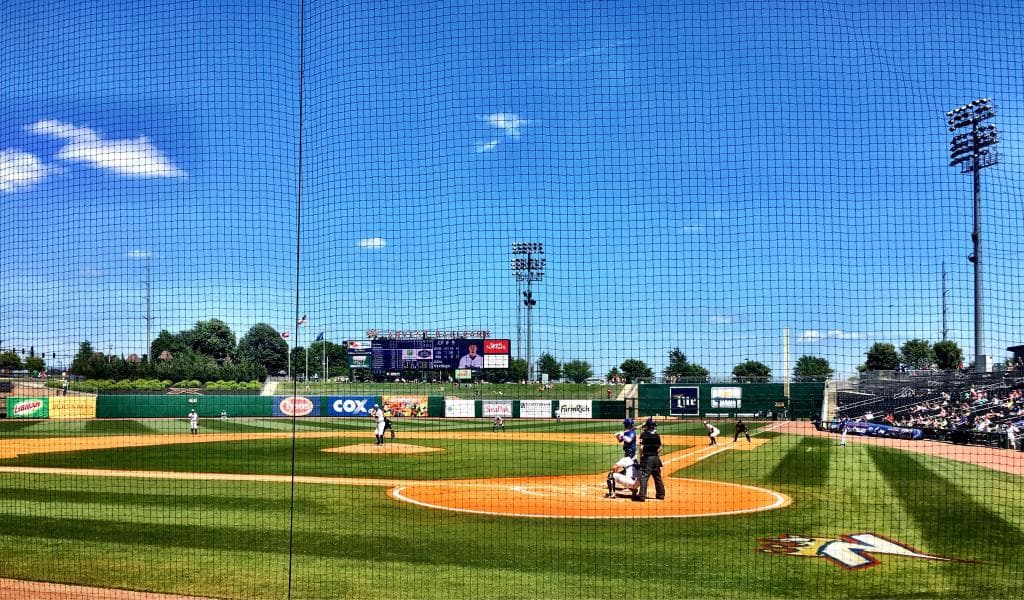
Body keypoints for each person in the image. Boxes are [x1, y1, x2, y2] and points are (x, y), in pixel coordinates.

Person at [636, 417, 665, 501]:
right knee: (657, 477)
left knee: (644, 477)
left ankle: (642, 496)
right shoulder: (657, 435)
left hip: (647, 458)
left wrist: (641, 457)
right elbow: (660, 448)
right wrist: (655, 454)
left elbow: (641, 448)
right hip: (656, 458)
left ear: (647, 426)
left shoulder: (643, 435)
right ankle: (661, 495)